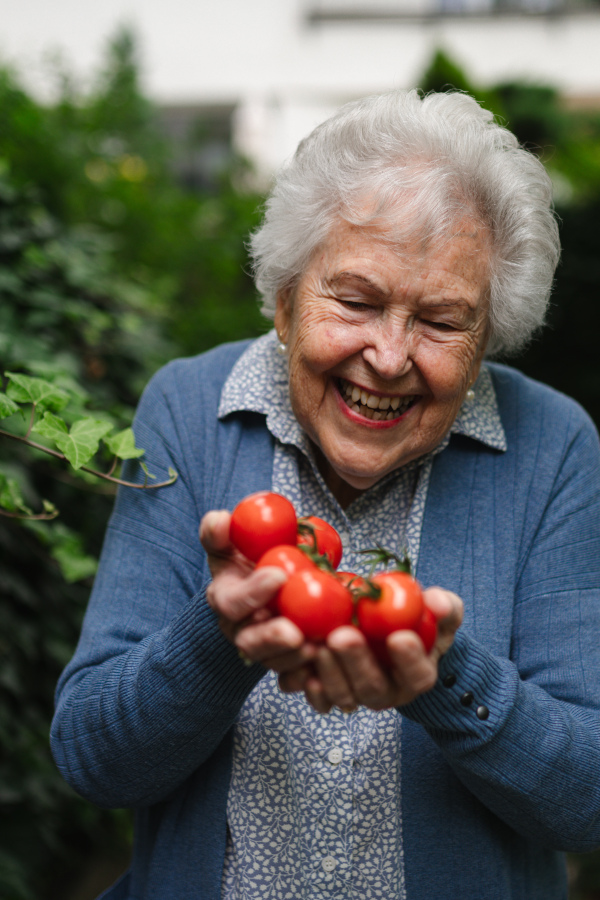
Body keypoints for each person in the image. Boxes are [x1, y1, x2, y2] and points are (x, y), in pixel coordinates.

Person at [50, 89, 600, 900]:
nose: (387, 356)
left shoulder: (553, 447)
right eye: (356, 300)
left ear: (488, 342)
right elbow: (92, 757)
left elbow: (587, 802)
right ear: (284, 299)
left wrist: (444, 674)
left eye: (443, 321)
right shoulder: (186, 409)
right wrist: (223, 631)